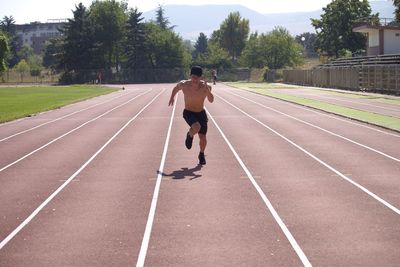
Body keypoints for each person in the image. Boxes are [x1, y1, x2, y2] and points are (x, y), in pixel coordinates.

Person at [168, 66, 214, 165]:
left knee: (203, 137)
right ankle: (190, 135)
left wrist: (208, 91)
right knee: (196, 127)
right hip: (188, 112)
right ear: (190, 76)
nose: (195, 80)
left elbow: (211, 100)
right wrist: (172, 97)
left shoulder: (206, 86)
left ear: (201, 77)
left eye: (197, 77)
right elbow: (175, 88)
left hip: (201, 113)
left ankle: (201, 154)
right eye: (193, 77)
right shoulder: (184, 84)